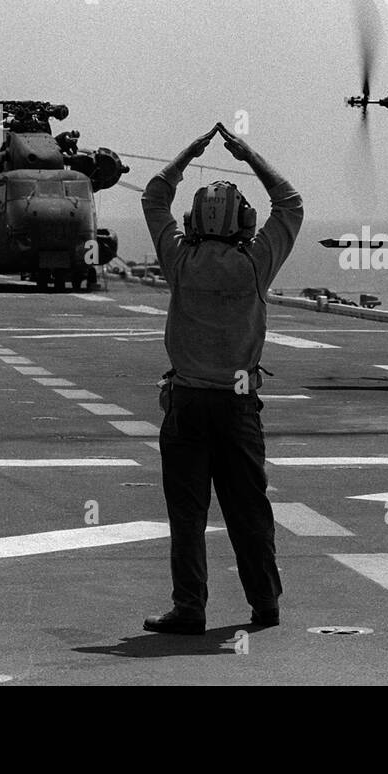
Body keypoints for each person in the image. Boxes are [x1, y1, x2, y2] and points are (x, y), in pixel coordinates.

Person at [139, 123, 304, 634]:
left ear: (194, 220)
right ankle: (265, 604)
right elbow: (291, 204)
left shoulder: (180, 261)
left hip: (187, 403)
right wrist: (247, 153)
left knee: (187, 516)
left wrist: (189, 152)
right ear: (244, 221)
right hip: (237, 406)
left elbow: (154, 197)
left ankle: (190, 608)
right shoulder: (256, 263)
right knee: (249, 511)